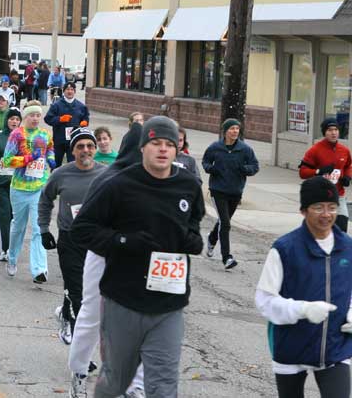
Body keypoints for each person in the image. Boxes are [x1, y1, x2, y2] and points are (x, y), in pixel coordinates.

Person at [80, 116, 205, 398]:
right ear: (142, 148)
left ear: (177, 150)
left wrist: (190, 241)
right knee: (115, 383)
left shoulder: (188, 186)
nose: (162, 149)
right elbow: (82, 231)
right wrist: (123, 241)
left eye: (169, 144)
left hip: (168, 304)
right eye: (155, 143)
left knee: (163, 386)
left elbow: (194, 226)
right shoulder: (118, 184)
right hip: (124, 301)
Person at [256, 176, 352, 398]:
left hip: (334, 347)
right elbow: (264, 301)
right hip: (292, 347)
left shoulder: (347, 247)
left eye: (332, 207)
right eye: (318, 207)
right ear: (303, 211)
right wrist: (303, 310)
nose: (326, 214)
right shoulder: (284, 249)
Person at [67, 121, 144, 397]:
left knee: (140, 319)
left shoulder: (154, 180)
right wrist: (116, 241)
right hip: (102, 255)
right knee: (92, 314)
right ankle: (77, 372)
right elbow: (84, 227)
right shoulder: (108, 179)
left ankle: (135, 384)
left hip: (135, 260)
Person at [38, 128, 106, 345]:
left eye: (90, 146)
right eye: (80, 146)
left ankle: (66, 315)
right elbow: (45, 200)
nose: (85, 150)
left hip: (97, 242)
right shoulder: (61, 174)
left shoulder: (106, 174)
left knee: (91, 292)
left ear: (95, 149)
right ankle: (81, 347)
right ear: (73, 150)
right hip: (70, 240)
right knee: (78, 292)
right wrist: (44, 229)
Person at [2, 101, 55, 283]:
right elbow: (7, 160)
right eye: (32, 115)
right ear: (26, 117)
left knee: (39, 228)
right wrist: (27, 159)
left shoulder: (45, 134)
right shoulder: (17, 135)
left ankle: (39, 270)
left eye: (38, 115)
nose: (35, 118)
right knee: (18, 226)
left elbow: (50, 148)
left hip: (39, 186)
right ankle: (12, 257)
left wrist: (51, 159)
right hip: (19, 187)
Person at [202, 118, 260, 270]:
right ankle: (226, 257)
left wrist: (245, 169)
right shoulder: (215, 147)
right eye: (232, 128)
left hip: (235, 191)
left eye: (237, 128)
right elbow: (205, 162)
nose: (235, 131)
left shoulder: (245, 149)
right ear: (225, 131)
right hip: (217, 190)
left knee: (223, 221)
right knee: (226, 223)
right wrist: (212, 169)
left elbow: (255, 166)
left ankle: (212, 238)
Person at [299, 117, 352, 232]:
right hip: (320, 196)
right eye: (329, 130)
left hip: (339, 194)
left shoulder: (344, 150)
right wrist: (319, 171)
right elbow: (302, 172)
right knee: (322, 229)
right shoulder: (315, 150)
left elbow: (348, 166)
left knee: (342, 227)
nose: (333, 133)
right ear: (324, 132)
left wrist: (348, 177)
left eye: (336, 129)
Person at [0, 107, 22, 262]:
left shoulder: (24, 138)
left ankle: (14, 249)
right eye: (11, 118)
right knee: (4, 216)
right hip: (0, 182)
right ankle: (5, 249)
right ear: (6, 120)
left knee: (16, 217)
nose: (14, 121)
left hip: (19, 184)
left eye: (17, 119)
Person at [44, 82, 89, 168]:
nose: (70, 91)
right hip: (59, 140)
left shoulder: (81, 106)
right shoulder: (56, 105)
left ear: (74, 91)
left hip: (73, 140)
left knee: (72, 165)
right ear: (64, 91)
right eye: (67, 89)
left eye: (72, 89)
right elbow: (47, 119)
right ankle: (55, 180)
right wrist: (59, 119)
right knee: (56, 165)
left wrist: (85, 122)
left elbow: (86, 117)